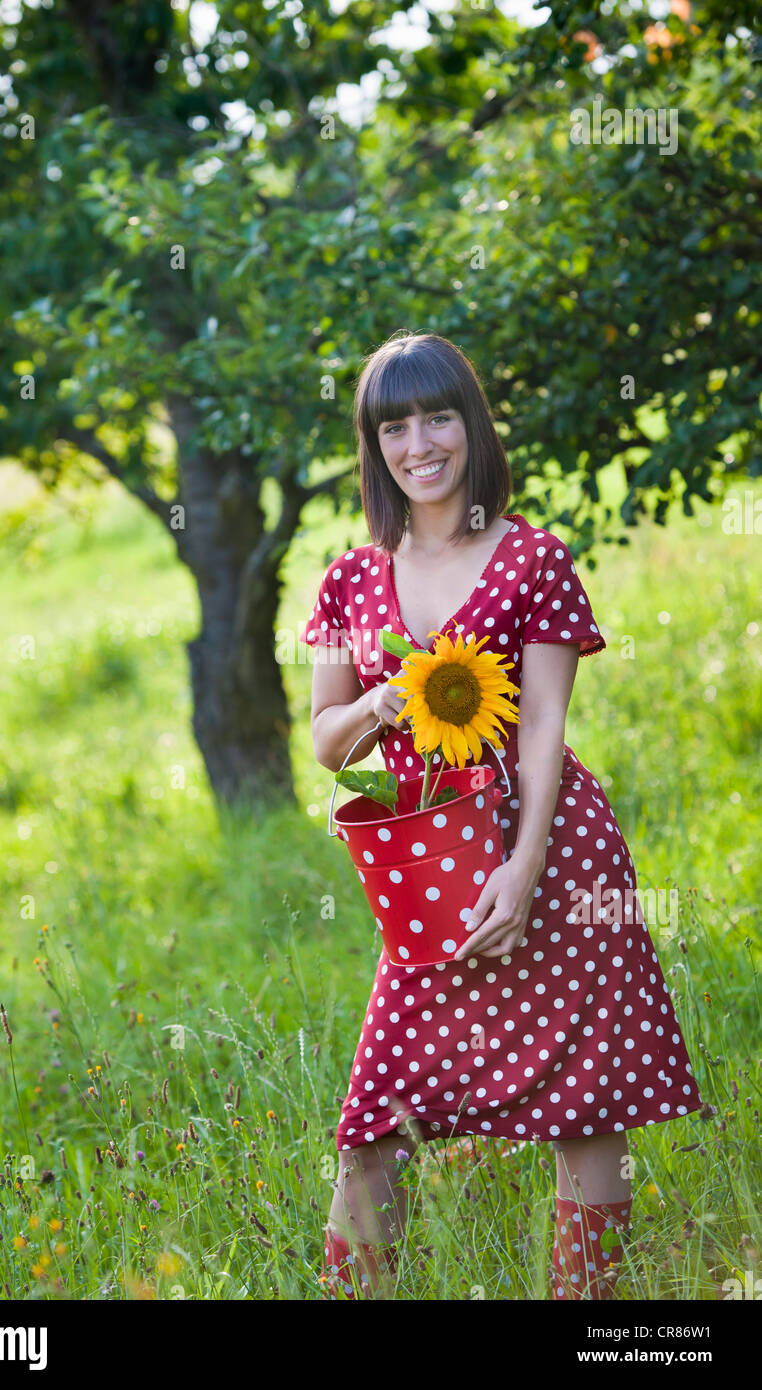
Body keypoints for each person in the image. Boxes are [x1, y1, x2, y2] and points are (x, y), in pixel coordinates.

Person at [298, 330, 705, 1300]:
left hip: (551, 855)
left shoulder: (530, 557)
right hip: (426, 878)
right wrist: (372, 706)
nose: (417, 442)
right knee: (371, 1130)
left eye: (436, 415)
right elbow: (326, 742)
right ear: (373, 443)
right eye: (392, 424)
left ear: (470, 427)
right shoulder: (350, 577)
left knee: (581, 1111)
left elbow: (544, 732)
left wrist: (520, 872)